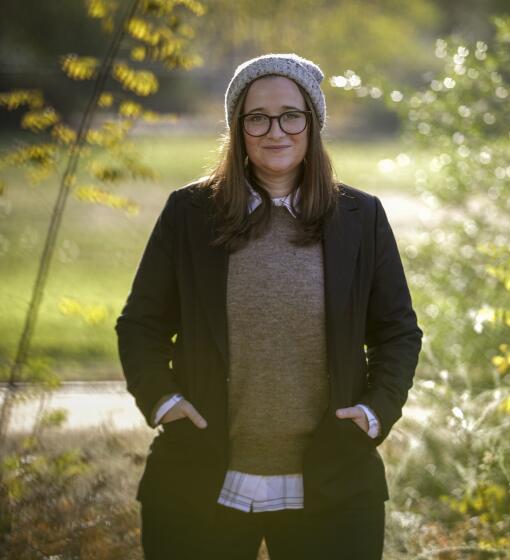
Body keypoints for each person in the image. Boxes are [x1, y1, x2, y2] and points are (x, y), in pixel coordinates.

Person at [115, 53, 423, 559]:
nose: (274, 131)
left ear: (313, 123)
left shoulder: (359, 216)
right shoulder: (190, 213)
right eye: (256, 117)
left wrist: (373, 412)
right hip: (200, 480)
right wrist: (164, 402)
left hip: (333, 485)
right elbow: (141, 325)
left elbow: (397, 332)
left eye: (290, 115)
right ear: (238, 127)